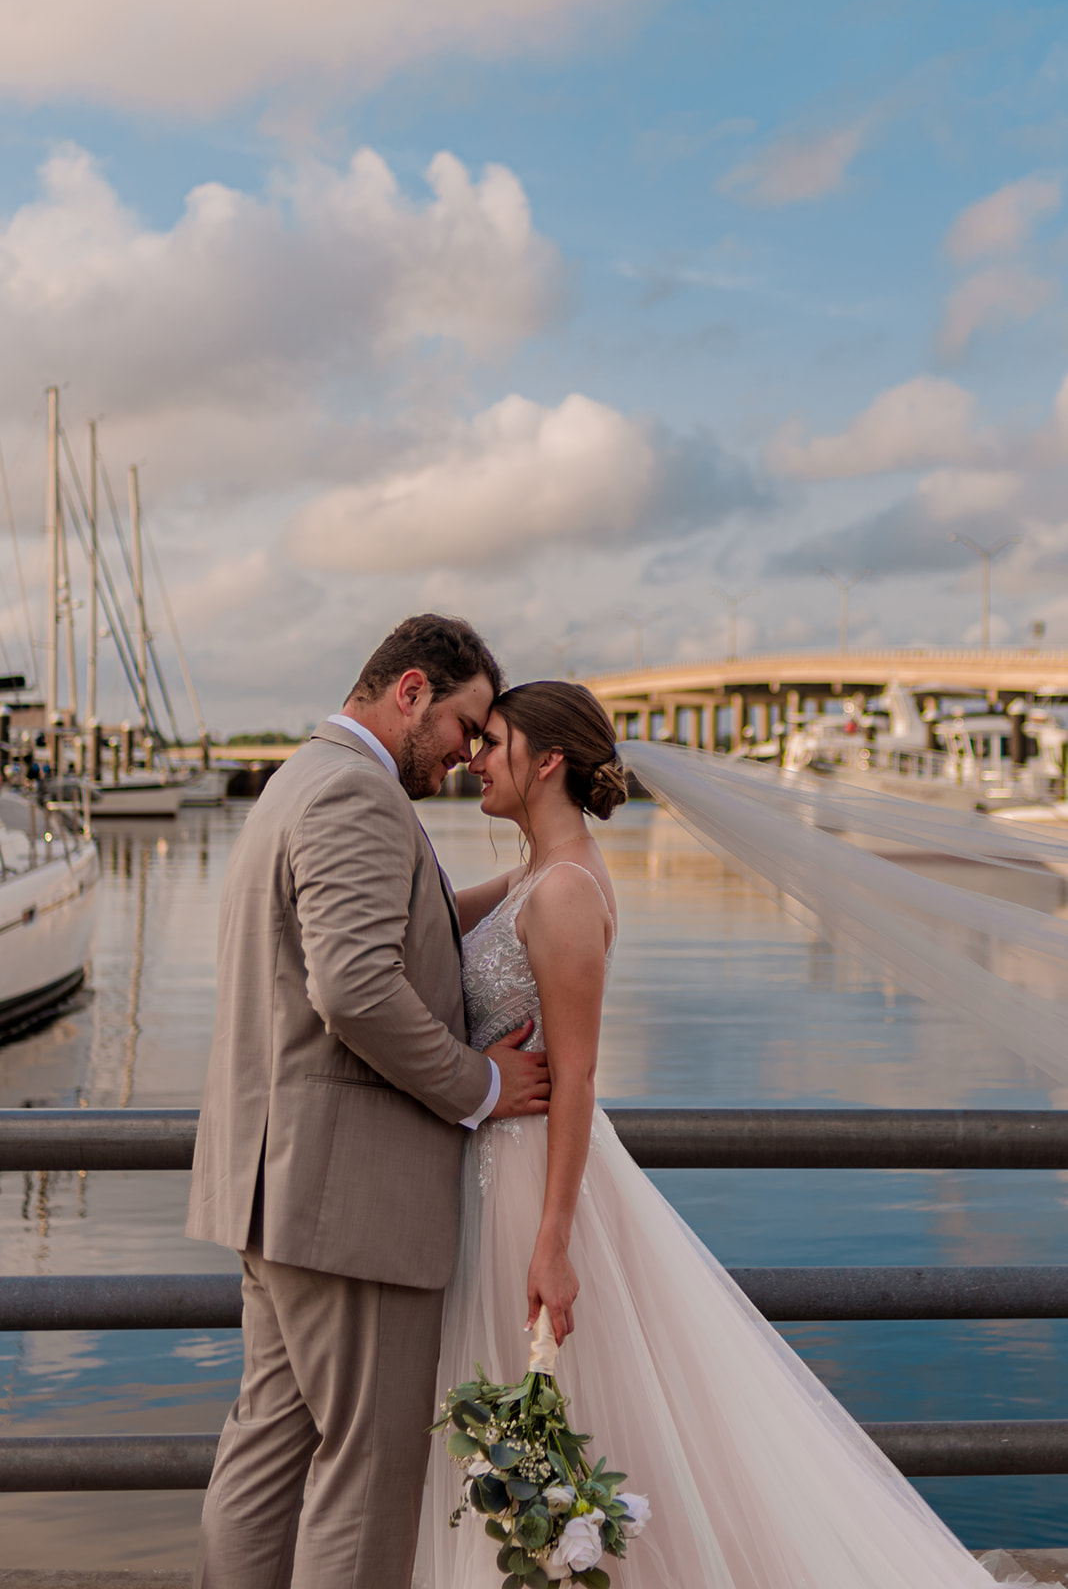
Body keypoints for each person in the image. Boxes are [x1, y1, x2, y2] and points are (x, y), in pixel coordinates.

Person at [414, 679, 1022, 1588]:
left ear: (546, 762)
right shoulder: (539, 872)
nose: (475, 757)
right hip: (497, 1159)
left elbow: (577, 1074)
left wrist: (552, 1242)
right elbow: (425, 919)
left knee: (540, 1414)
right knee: (517, 1423)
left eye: (492, 741)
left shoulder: (568, 889)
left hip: (533, 1177)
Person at [186, 614, 551, 1589]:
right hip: (352, 1203)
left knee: (267, 1449)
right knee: (371, 1471)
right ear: (411, 692)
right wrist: (481, 1083)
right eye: (467, 727)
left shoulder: (306, 781)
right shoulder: (356, 795)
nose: (469, 754)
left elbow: (410, 921)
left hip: (283, 1188)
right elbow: (353, 986)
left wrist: (528, 881)